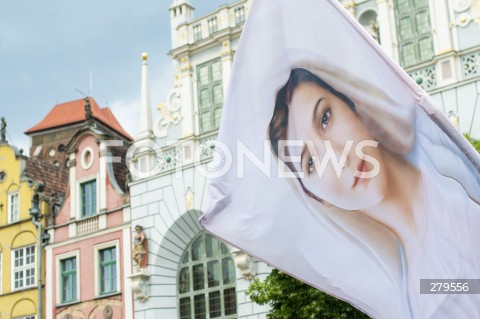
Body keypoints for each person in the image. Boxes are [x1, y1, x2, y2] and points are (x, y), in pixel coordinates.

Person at [268, 68, 480, 318]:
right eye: (311, 162)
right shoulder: (415, 290)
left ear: (350, 104)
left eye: (325, 118)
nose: (337, 159)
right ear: (316, 197)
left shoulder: (457, 197)